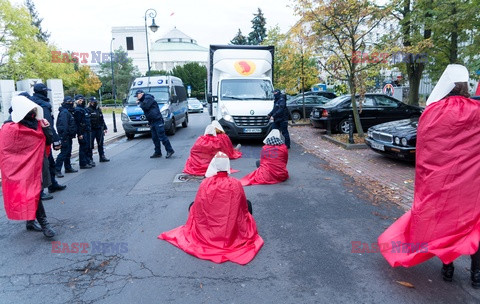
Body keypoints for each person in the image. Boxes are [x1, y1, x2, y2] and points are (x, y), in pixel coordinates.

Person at [377, 64, 480, 288]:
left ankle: (448, 269)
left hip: (443, 184)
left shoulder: (432, 113)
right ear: (465, 85)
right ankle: (477, 275)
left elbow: (427, 153)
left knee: (447, 223)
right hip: (473, 185)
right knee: (474, 225)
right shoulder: (477, 110)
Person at [159, 152, 263, 265]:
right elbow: (242, 206)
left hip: (210, 224)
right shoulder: (235, 183)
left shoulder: (205, 183)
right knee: (247, 204)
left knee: (192, 205)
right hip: (230, 223)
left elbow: (199, 206)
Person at [0, 95, 56, 237]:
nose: (33, 111)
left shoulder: (37, 123)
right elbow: (6, 150)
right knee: (33, 193)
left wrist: (46, 128)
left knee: (32, 192)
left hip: (37, 165)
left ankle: (30, 222)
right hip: (19, 169)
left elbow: (47, 140)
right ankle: (45, 225)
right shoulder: (9, 127)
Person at [30, 83, 67, 194]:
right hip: (42, 139)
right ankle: (40, 191)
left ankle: (52, 184)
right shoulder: (43, 105)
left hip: (35, 138)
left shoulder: (31, 102)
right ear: (43, 92)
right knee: (43, 165)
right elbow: (48, 125)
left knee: (49, 162)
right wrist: (55, 139)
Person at [135, 89, 174, 159]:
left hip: (157, 120)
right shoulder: (144, 100)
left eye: (137, 95)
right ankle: (158, 152)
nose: (136, 97)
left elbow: (145, 106)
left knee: (162, 137)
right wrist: (149, 122)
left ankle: (170, 150)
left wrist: (139, 103)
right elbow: (148, 112)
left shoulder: (148, 98)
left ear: (141, 94)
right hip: (152, 122)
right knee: (155, 138)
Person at [55, 96, 78, 176]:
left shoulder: (67, 111)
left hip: (68, 136)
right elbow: (63, 125)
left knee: (68, 152)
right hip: (65, 136)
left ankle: (68, 167)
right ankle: (57, 169)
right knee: (64, 153)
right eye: (71, 102)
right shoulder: (65, 112)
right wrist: (64, 137)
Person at [86, 97, 109, 162]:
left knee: (100, 143)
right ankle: (90, 159)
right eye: (93, 102)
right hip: (91, 130)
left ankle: (102, 156)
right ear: (90, 102)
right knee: (90, 145)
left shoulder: (98, 109)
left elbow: (102, 119)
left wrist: (104, 127)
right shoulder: (88, 110)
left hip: (99, 129)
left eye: (95, 101)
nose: (95, 103)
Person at [73, 94, 93, 169]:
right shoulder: (78, 110)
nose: (82, 101)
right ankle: (83, 163)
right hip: (82, 131)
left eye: (82, 100)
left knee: (87, 147)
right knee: (83, 147)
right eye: (80, 100)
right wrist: (80, 133)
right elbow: (78, 123)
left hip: (87, 130)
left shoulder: (84, 109)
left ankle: (87, 161)